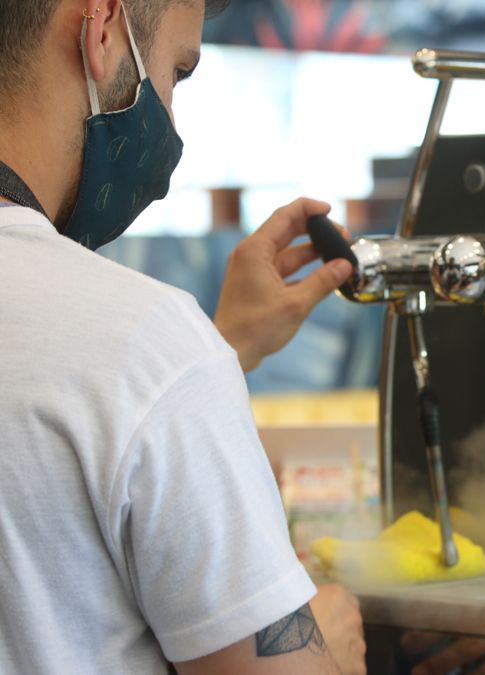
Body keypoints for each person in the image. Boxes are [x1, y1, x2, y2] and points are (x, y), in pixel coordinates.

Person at [0, 1, 365, 673]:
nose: (169, 115)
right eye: (178, 71)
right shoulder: (142, 342)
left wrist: (216, 353)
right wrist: (331, 648)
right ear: (102, 29)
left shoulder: (149, 357)